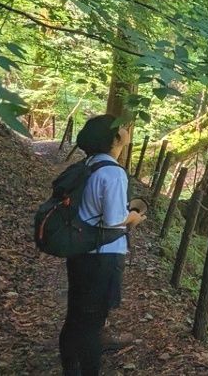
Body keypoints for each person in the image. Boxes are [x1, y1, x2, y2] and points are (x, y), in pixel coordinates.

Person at [59, 114, 144, 376]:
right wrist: (134, 217)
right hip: (103, 257)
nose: (127, 129)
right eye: (122, 127)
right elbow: (114, 220)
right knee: (92, 325)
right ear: (115, 138)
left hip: (81, 251)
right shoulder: (113, 172)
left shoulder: (90, 164)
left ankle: (70, 369)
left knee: (75, 316)